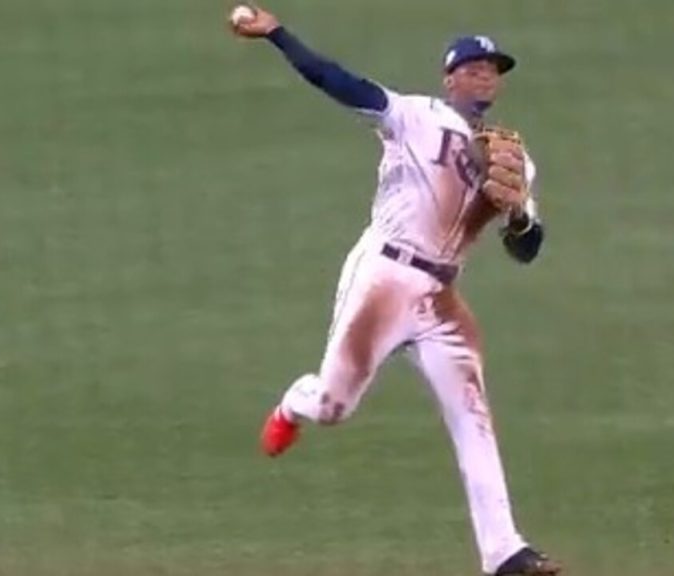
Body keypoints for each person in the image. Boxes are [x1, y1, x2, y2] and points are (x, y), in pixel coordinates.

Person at [231, 6, 559, 575]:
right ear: (449, 76)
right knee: (335, 405)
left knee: (473, 416)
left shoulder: (515, 159)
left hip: (441, 298)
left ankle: (504, 552)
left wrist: (518, 221)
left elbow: (526, 249)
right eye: (473, 66)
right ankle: (294, 402)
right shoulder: (413, 115)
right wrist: (277, 34)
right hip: (384, 276)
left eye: (493, 69)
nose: (484, 75)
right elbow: (336, 80)